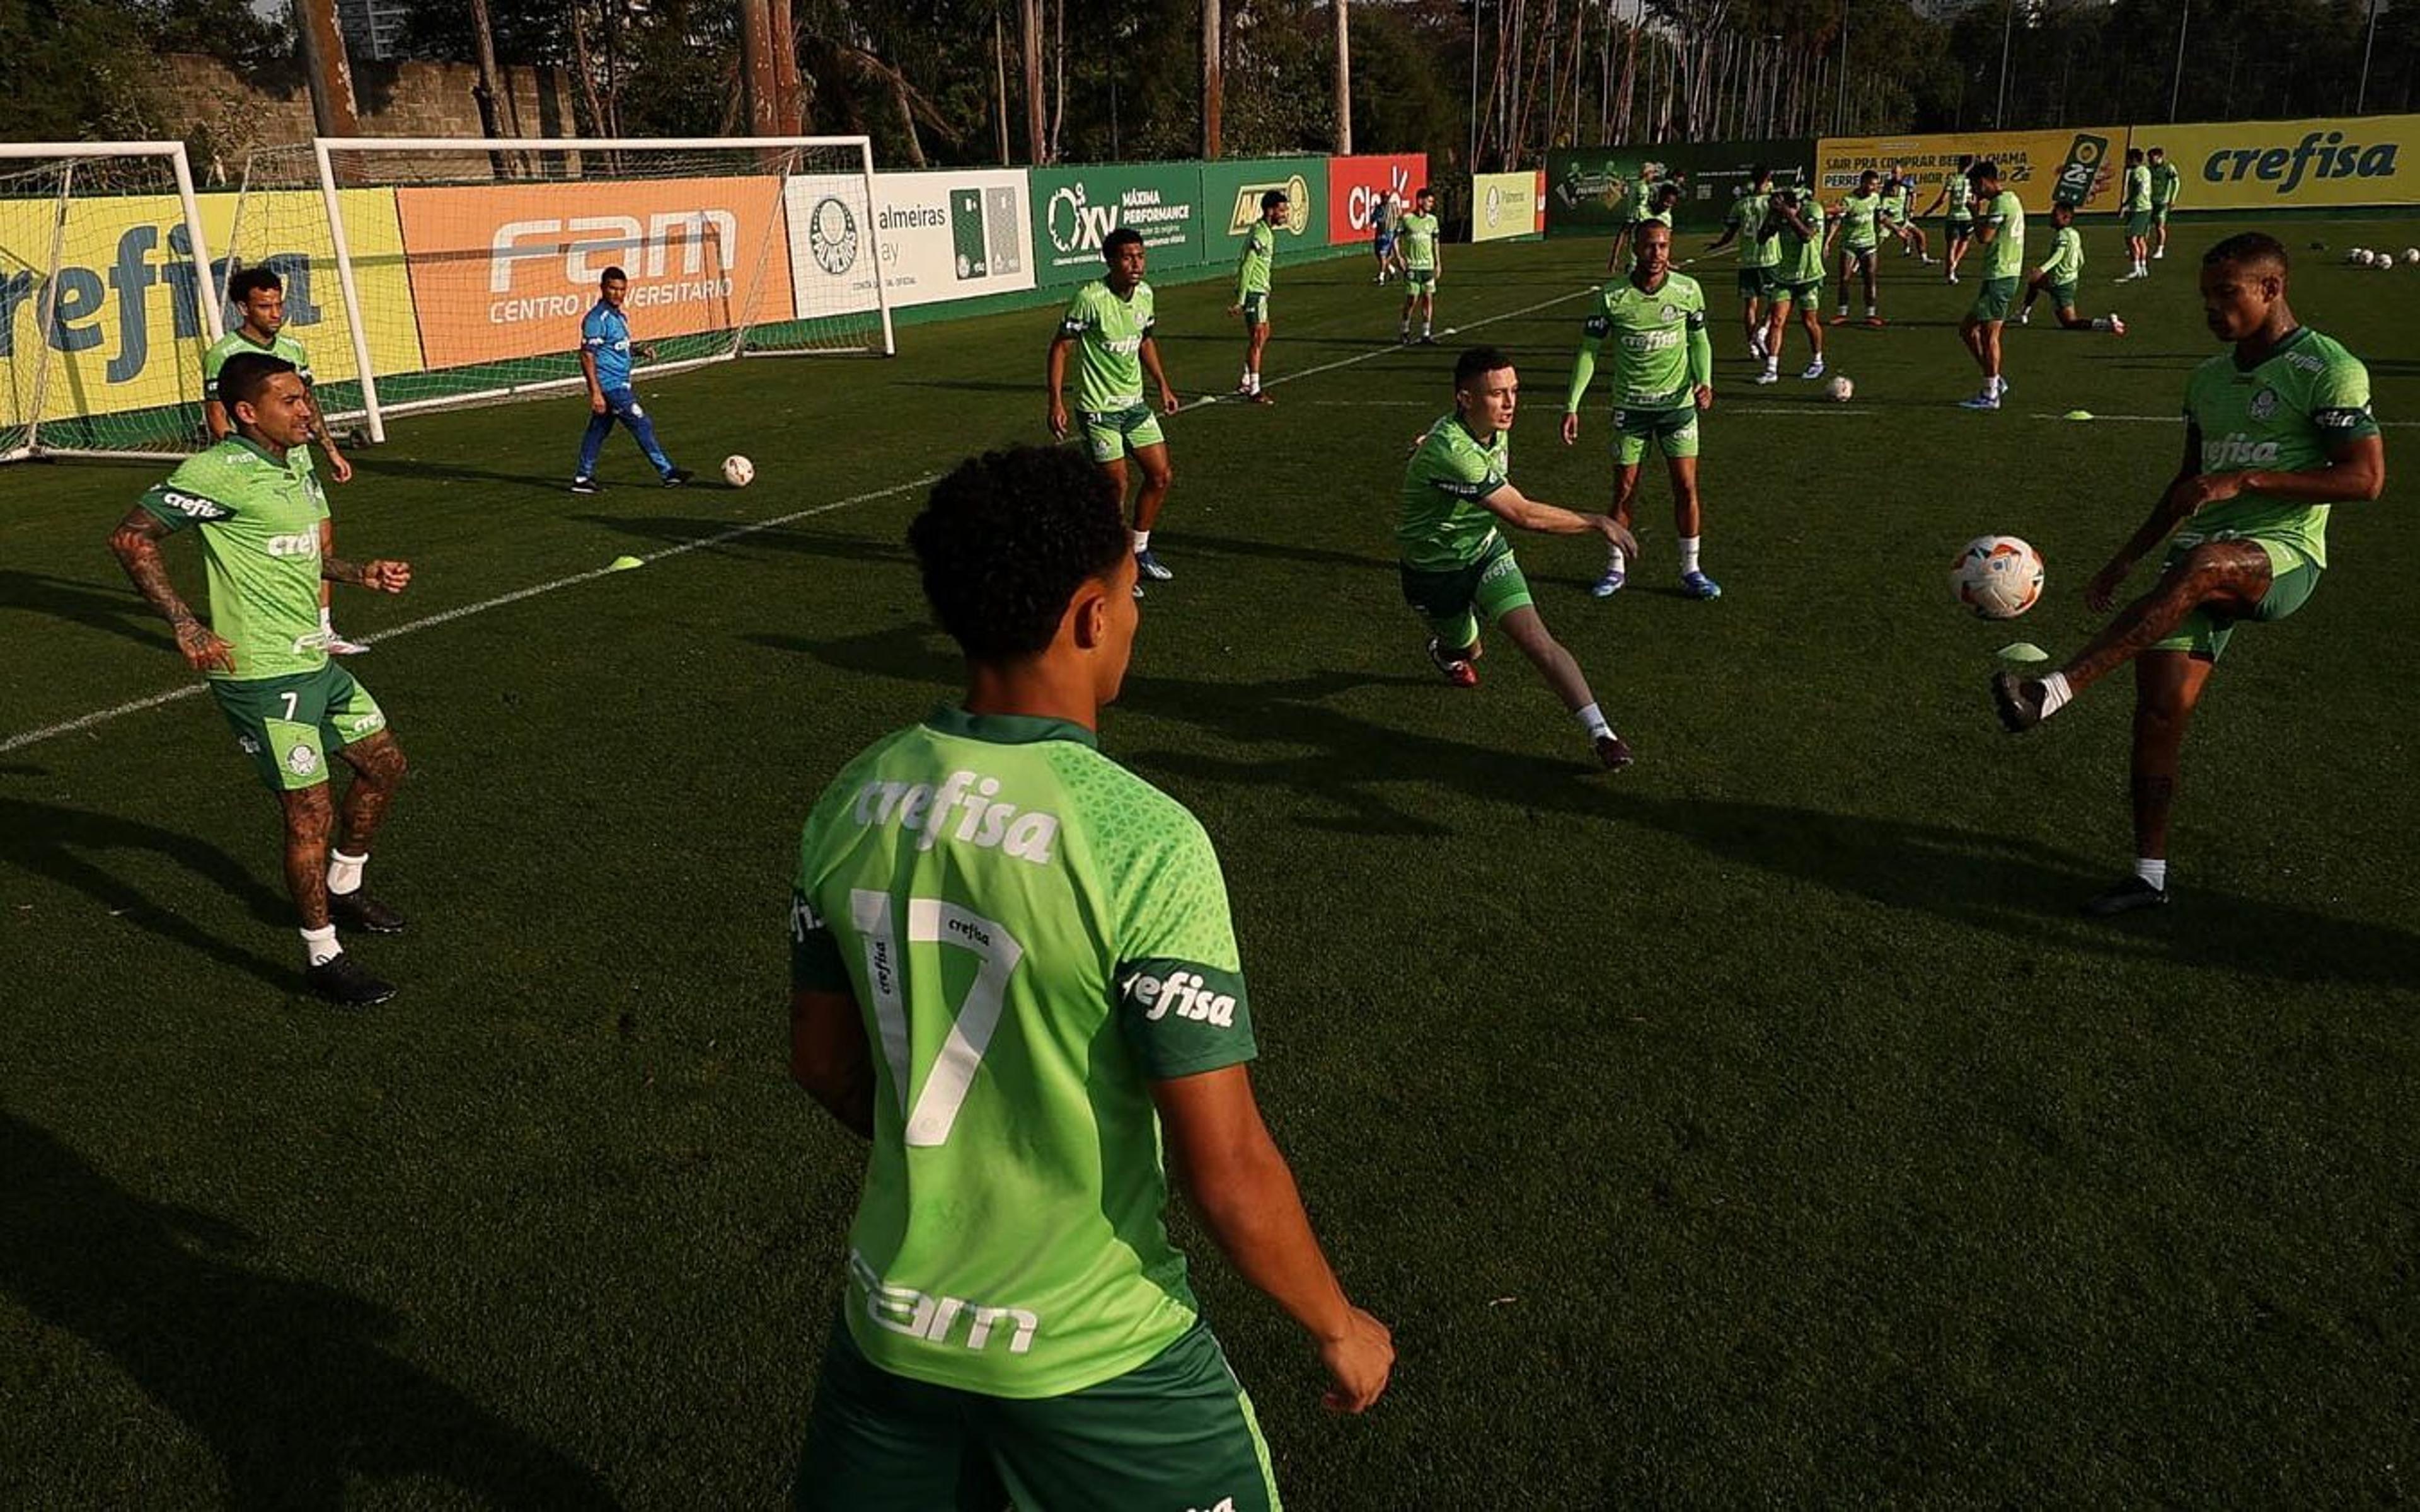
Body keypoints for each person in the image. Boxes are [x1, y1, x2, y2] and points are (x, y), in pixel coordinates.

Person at [789, 445, 1394, 1509]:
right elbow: (1229, 1167)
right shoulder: (1142, 841)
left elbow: (824, 1062)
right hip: (1098, 1365)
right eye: (1127, 594)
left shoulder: (854, 795)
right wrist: (1338, 1327)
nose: (1135, 618)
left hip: (887, 1346)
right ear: (1087, 617)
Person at [1991, 234, 2383, 914]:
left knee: (2205, 565)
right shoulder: (2206, 379)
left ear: (2272, 287)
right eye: (2205, 294)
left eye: (2225, 293)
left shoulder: (2328, 368)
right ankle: (2149, 876)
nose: (2211, 307)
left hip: (2282, 555)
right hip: (2195, 557)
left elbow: (2365, 478)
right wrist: (2127, 557)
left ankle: (2051, 693)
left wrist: (2250, 479)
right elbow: (2185, 484)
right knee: (2159, 712)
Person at [107, 353, 413, 1007]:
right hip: (263, 676)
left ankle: (346, 887)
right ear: (248, 412)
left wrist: (360, 573)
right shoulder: (220, 470)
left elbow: (299, 552)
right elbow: (132, 539)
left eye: (305, 398)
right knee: (310, 813)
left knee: (385, 765)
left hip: (314, 662)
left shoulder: (294, 463)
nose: (307, 411)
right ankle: (322, 955)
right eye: (291, 401)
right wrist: (186, 624)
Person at [1405, 347, 1640, 768]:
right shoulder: (1452, 451)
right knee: (1468, 650)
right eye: (1497, 394)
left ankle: (1602, 734)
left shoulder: (1487, 427)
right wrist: (1596, 521)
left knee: (1538, 641)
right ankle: (1446, 651)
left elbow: (1447, 437)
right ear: (1465, 398)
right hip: (1434, 571)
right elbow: (1522, 514)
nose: (1511, 403)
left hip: (1485, 552)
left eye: (1514, 391)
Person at [204, 266, 363, 656]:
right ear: (244, 308)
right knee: (267, 548)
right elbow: (216, 416)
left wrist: (330, 450)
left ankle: (322, 629)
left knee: (321, 540)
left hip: (300, 464)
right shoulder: (224, 355)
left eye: (278, 304)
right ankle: (259, 627)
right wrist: (243, 461)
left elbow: (308, 405)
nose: (275, 313)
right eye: (265, 306)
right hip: (254, 469)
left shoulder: (293, 350)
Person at [1564, 220, 1719, 602]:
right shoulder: (1612, 296)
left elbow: (1700, 341)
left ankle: (1692, 570)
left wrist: (1705, 380)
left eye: (1664, 247)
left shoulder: (1688, 290)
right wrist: (1572, 405)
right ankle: (1615, 568)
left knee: (1685, 487)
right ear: (1636, 248)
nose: (1657, 255)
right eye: (1650, 247)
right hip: (1631, 409)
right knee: (1625, 490)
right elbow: (1589, 351)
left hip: (1677, 408)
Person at [1047, 228, 1184, 598]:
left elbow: (1145, 340)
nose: (1136, 263)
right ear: (1110, 261)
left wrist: (1164, 386)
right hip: (1098, 411)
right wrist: (1056, 401)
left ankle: (1139, 552)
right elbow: (1061, 348)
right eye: (1127, 257)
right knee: (1116, 487)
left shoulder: (1145, 295)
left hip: (1135, 406)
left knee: (1161, 476)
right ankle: (1111, 567)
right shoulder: (1089, 299)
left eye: (1140, 255)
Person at [570, 266, 692, 494]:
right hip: (611, 387)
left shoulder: (619, 316)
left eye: (622, 289)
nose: (618, 294)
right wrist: (596, 392)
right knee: (641, 422)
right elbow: (587, 356)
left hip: (619, 384)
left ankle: (582, 478)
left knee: (598, 430)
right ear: (603, 288)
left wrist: (638, 351)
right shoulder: (597, 318)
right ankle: (668, 473)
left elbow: (615, 347)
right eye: (613, 289)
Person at [1958, 161, 2025, 411]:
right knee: (1967, 330)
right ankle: (1994, 380)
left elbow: (1984, 237)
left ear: (1986, 181)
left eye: (1976, 186)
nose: (1976, 192)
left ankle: (1991, 394)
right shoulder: (2013, 199)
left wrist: (1975, 213)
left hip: (2001, 275)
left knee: (1988, 336)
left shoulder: (2000, 202)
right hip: (2003, 275)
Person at [1705, 165, 1778, 361]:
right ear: (1768, 178)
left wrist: (1717, 244)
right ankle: (1762, 331)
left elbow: (1729, 234)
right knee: (1777, 300)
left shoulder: (1740, 205)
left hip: (1747, 261)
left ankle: (1752, 348)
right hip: (1769, 259)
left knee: (1750, 305)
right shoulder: (1772, 203)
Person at [2019, 201, 2126, 335]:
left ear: (2066, 218)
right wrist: (2073, 272)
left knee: (2069, 322)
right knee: (2034, 282)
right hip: (2067, 280)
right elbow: (2081, 258)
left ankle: (2107, 325)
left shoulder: (2062, 235)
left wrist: (2042, 270)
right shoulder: (2074, 234)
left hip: (2060, 283)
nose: (2051, 217)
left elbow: (2059, 255)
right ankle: (2023, 313)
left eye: (2055, 215)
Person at [1758, 186, 1829, 384]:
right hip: (1785, 277)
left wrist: (1788, 215)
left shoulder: (1813, 210)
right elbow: (1761, 239)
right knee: (1777, 321)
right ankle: (1771, 369)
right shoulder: (1779, 216)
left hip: (1810, 276)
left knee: (1809, 322)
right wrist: (1771, 218)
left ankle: (1817, 360)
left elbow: (1806, 236)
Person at [1230, 190, 1288, 404]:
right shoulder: (1260, 235)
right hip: (1253, 293)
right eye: (1281, 210)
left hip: (1260, 291)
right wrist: (1242, 300)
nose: (1285, 214)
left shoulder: (1265, 231)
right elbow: (1247, 266)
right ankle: (1254, 389)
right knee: (1257, 337)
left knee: (1265, 333)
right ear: (1270, 210)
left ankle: (1246, 378)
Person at [1831, 170, 1886, 326]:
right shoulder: (1849, 200)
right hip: (1850, 245)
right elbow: (1837, 222)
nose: (1874, 188)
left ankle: (1871, 314)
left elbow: (1880, 217)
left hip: (1869, 245)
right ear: (1863, 183)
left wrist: (1897, 229)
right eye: (1871, 184)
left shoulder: (1875, 198)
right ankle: (1842, 313)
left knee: (1870, 279)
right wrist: (1828, 241)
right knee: (1845, 279)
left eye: (1876, 185)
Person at [1395, 187, 1443, 345]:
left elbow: (1435, 242)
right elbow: (1396, 239)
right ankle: (1405, 330)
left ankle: (1426, 334)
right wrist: (1399, 257)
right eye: (1429, 201)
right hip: (1412, 267)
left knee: (1428, 298)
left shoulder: (1432, 220)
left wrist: (1438, 263)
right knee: (1412, 299)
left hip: (1427, 266)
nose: (1431, 204)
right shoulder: (1407, 219)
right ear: (1420, 201)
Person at [1921, 156, 1977, 284]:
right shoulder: (1972, 181)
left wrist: (1930, 210)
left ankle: (1951, 272)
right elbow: (1976, 199)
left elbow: (1942, 199)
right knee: (1965, 242)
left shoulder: (1952, 180)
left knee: (1951, 247)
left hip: (1953, 217)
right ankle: (1954, 265)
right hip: (1967, 217)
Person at [1610, 180, 1683, 273]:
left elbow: (1665, 243)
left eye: (1671, 204)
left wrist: (1666, 262)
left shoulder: (1667, 218)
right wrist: (1614, 259)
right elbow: (1623, 233)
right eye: (1666, 202)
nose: (1668, 206)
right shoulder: (1640, 211)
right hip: (1635, 265)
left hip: (1656, 266)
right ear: (1658, 197)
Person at [1879, 164, 1933, 265]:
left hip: (1902, 219)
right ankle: (1857, 265)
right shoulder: (1888, 185)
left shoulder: (1906, 184)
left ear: (1901, 173)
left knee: (1920, 235)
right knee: (1876, 244)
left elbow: (1912, 195)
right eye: (1894, 173)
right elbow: (1883, 202)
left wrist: (1911, 209)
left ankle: (1924, 258)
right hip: (1890, 221)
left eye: (1898, 173)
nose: (1896, 175)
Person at [2117, 147, 2153, 282]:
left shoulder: (2136, 172)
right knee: (2141, 239)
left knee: (2131, 239)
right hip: (2147, 208)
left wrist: (2126, 204)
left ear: (2133, 160)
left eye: (2128, 159)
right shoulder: (2146, 171)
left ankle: (2136, 269)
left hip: (2138, 209)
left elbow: (2138, 189)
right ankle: (2143, 268)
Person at [2148, 146, 2181, 261]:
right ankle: (2140, 247)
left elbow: (2176, 182)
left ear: (2160, 157)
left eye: (2153, 157)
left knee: (2159, 226)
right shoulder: (2150, 169)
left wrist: (2173, 198)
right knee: (2145, 225)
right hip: (2149, 201)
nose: (2151, 160)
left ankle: (2160, 250)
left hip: (2162, 202)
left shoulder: (2168, 168)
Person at [1371, 187, 1398, 284]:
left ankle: (1381, 277)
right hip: (1379, 233)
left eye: (1387, 197)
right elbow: (1373, 218)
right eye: (1384, 197)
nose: (1385, 199)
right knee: (1378, 254)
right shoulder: (1378, 207)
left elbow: (1397, 218)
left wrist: (1395, 231)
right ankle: (1392, 270)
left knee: (1383, 255)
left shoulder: (1392, 207)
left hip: (1388, 233)